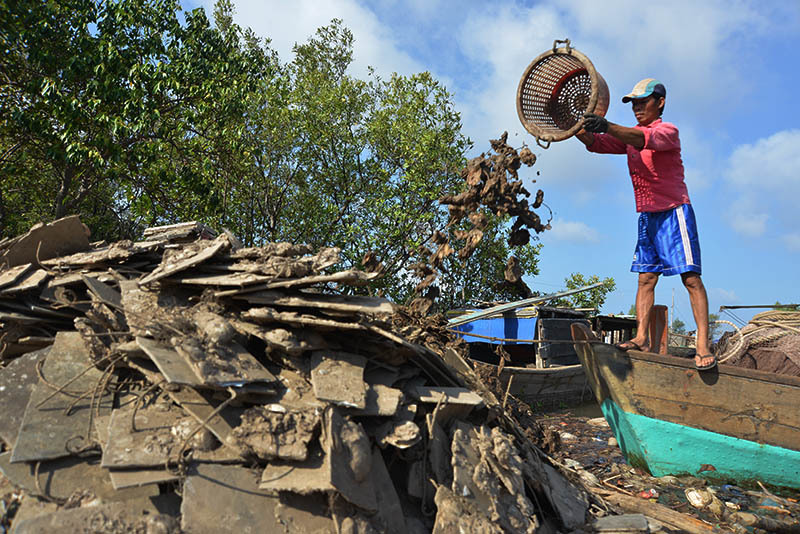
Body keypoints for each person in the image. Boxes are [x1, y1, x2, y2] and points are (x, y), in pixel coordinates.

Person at [576, 78, 715, 370]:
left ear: (660, 102)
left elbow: (640, 139)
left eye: (643, 101)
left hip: (674, 211)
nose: (637, 107)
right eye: (634, 103)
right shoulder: (629, 135)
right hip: (648, 215)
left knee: (689, 278)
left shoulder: (667, 131)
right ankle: (641, 337)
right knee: (645, 278)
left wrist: (606, 125)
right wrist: (576, 126)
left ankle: (702, 344)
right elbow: (596, 143)